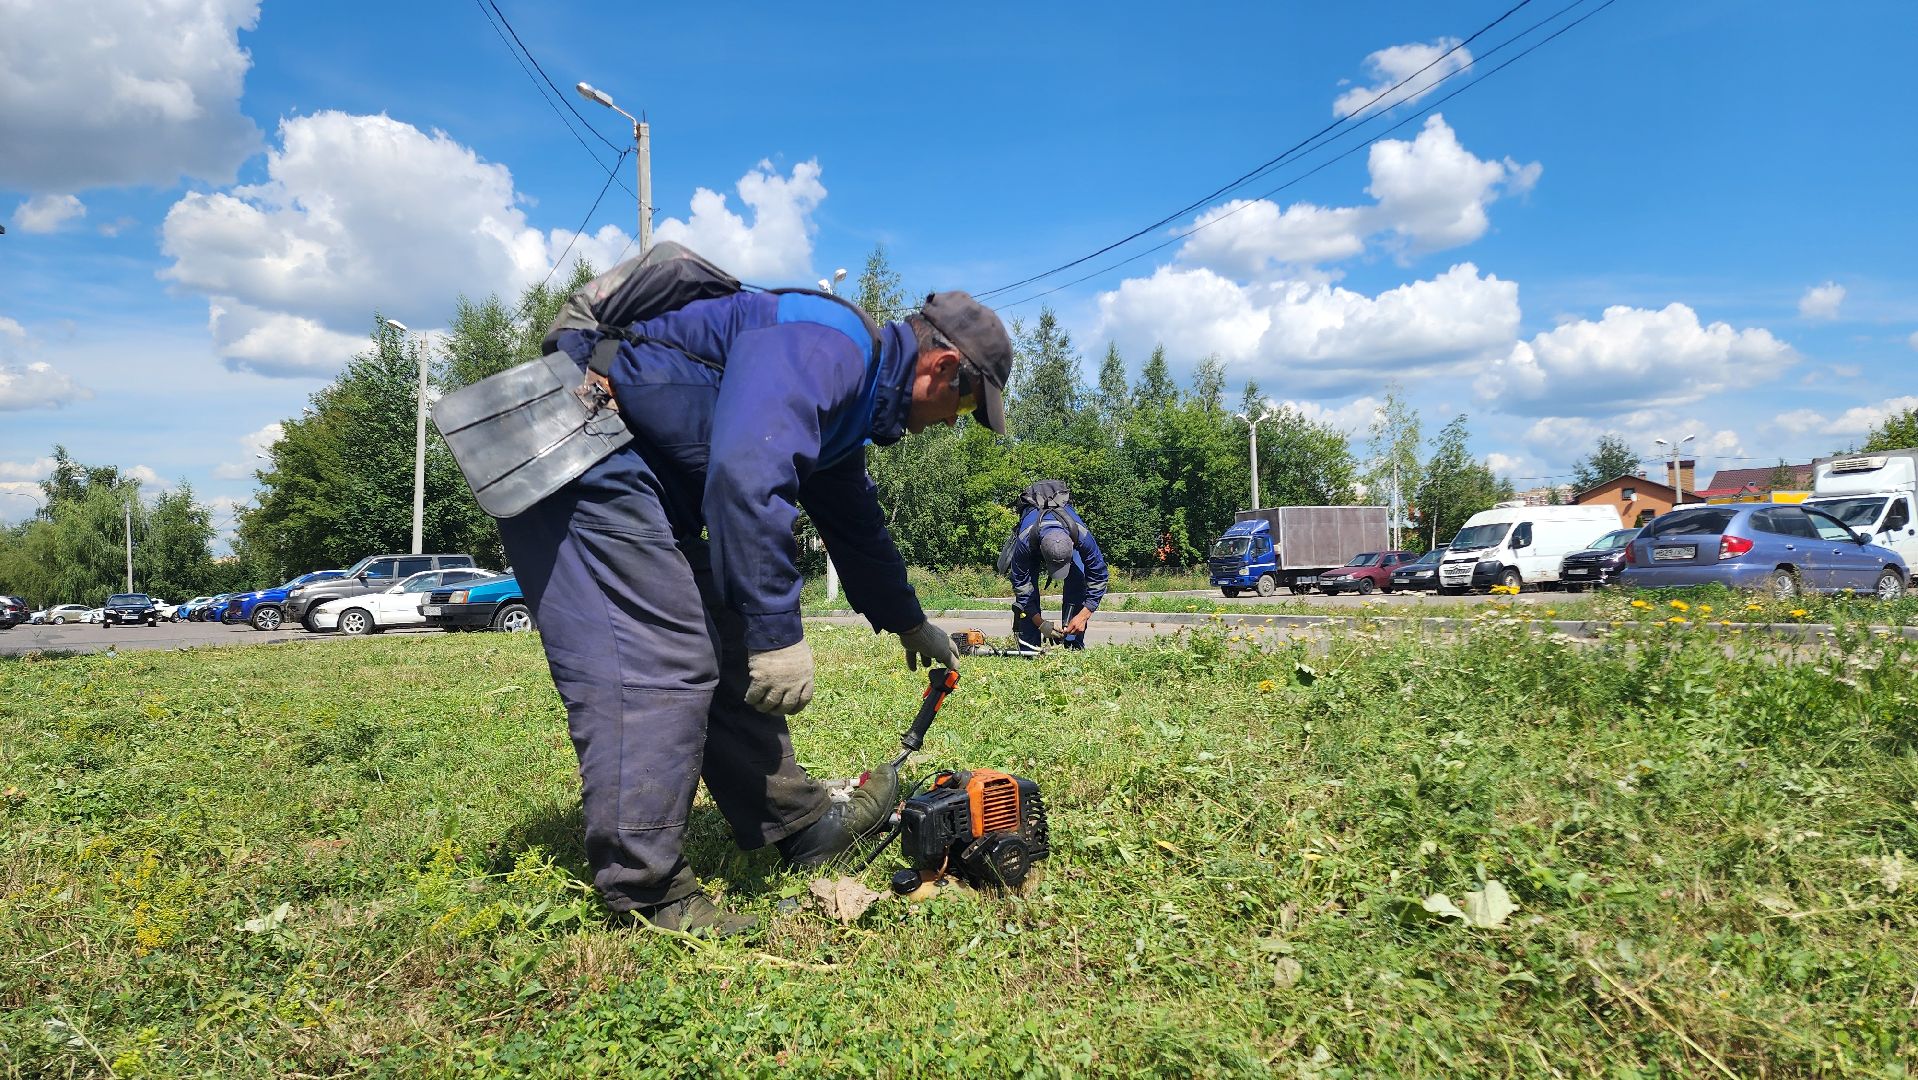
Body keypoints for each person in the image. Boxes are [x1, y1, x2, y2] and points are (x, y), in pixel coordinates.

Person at [499, 284, 1013, 936]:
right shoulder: (833, 347)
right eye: (964, 406)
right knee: (663, 658)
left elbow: (854, 522)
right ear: (941, 368)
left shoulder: (848, 395)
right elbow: (748, 469)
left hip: (621, 461)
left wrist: (909, 619)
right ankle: (649, 895)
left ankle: (799, 826)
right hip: (579, 446)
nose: (949, 421)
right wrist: (777, 633)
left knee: (717, 640)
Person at [1005, 490, 1109, 650]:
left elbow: (1099, 577)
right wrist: (1040, 624)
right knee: (1028, 591)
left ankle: (1073, 642)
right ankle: (1029, 649)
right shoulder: (1024, 542)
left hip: (1066, 532)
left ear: (1073, 544)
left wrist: (1083, 615)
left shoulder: (1082, 536)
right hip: (1034, 538)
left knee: (1078, 580)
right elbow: (1021, 587)